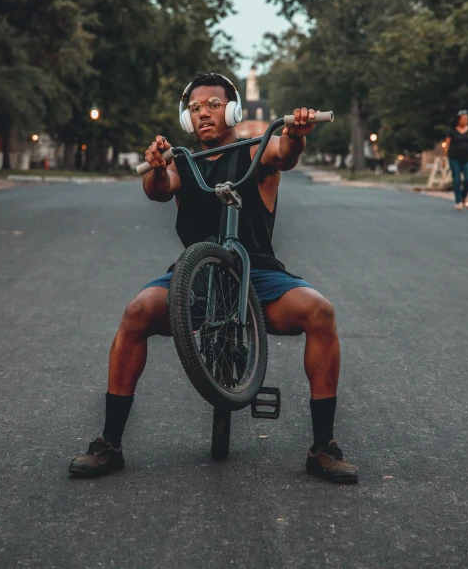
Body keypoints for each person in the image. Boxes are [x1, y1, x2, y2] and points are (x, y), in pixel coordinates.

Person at [69, 72, 358, 483]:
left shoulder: (256, 150)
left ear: (234, 110)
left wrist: (297, 133)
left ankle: (323, 447)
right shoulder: (183, 161)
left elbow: (285, 154)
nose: (203, 114)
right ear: (187, 120)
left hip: (257, 272)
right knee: (136, 313)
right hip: (195, 273)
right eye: (194, 109)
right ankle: (109, 443)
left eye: (213, 105)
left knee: (320, 313)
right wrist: (154, 167)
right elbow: (159, 189)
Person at [444, 110, 468, 210]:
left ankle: (463, 197)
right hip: (454, 158)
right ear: (458, 120)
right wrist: (444, 158)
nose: (465, 120)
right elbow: (447, 145)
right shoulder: (452, 131)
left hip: (467, 158)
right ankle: (458, 201)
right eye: (463, 119)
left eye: (467, 119)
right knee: (457, 179)